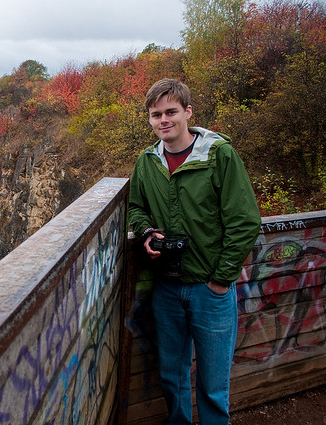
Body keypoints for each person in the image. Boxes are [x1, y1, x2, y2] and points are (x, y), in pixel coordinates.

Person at [128, 78, 261, 425]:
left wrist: (221, 279)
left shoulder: (220, 156)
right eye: (156, 114)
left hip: (209, 290)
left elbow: (244, 220)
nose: (163, 120)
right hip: (166, 288)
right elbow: (137, 207)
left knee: (213, 384)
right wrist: (146, 232)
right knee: (172, 377)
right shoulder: (147, 162)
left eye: (171, 111)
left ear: (187, 112)